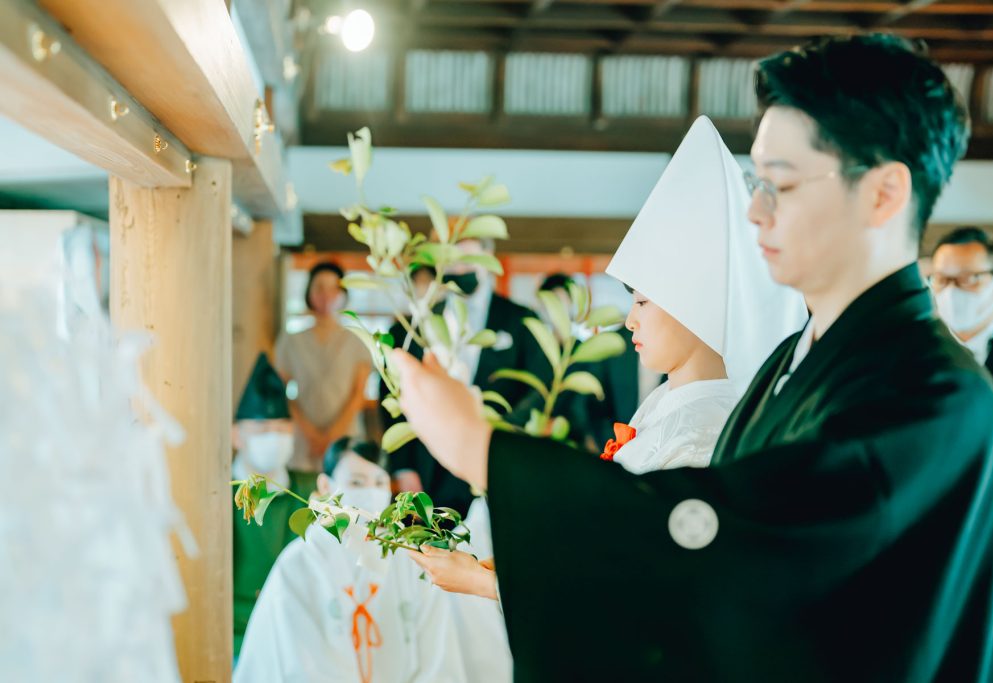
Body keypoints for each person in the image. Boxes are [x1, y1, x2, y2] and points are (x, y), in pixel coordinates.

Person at [391, 34, 993, 681]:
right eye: (757, 183)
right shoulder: (788, 364)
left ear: (883, 194)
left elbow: (736, 554)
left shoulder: (932, 396)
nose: (755, 210)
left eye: (781, 184)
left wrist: (483, 449)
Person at [410, 114, 806, 600]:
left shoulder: (707, 431)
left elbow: (641, 585)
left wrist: (487, 582)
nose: (630, 321)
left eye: (641, 302)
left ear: (695, 307)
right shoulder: (668, 406)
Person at [234, 437, 469, 683]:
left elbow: (438, 651)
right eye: (357, 482)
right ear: (326, 486)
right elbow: (298, 659)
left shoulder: (408, 557)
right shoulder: (301, 562)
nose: (370, 492)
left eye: (379, 482)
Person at [384, 238, 538, 515]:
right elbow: (394, 392)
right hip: (426, 468)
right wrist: (404, 467)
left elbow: (538, 388)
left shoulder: (521, 320)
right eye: (453, 260)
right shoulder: (416, 324)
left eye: (469, 259)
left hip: (493, 461)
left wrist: (502, 436)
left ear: (489, 260)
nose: (460, 267)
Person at [932, 226, 993, 614]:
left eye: (970, 279)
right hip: (925, 563)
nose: (955, 291)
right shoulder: (909, 362)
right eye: (944, 279)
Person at [232, 353, 319, 658]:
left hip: (299, 632)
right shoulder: (215, 495)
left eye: (282, 429)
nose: (275, 437)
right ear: (236, 435)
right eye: (263, 429)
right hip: (234, 633)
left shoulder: (312, 489)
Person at [275, 261, 372, 473]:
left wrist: (330, 437)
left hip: (347, 439)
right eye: (319, 287)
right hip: (302, 442)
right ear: (308, 292)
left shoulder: (357, 340)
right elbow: (280, 391)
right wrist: (312, 436)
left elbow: (358, 395)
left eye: (333, 287)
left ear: (343, 293)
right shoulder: (290, 341)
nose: (326, 294)